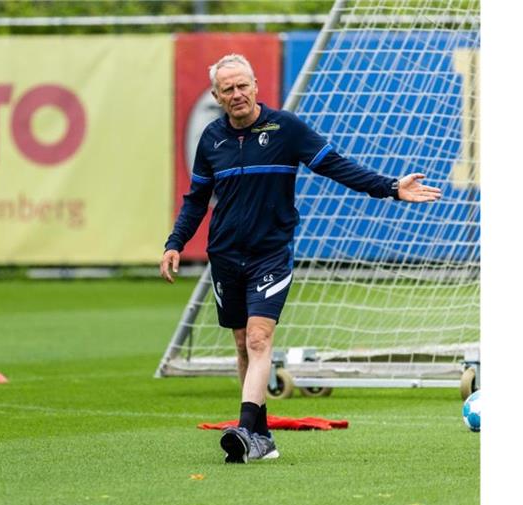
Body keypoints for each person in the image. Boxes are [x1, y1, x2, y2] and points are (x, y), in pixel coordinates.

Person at [159, 54, 441, 464]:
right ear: (217, 96)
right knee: (241, 344)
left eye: (243, 86)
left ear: (255, 86)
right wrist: (175, 242)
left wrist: (391, 187)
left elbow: (337, 167)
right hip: (225, 256)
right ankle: (260, 437)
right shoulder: (211, 140)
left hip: (270, 253)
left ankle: (243, 430)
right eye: (228, 89)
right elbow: (196, 200)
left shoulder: (285, 128)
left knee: (258, 338)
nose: (237, 94)